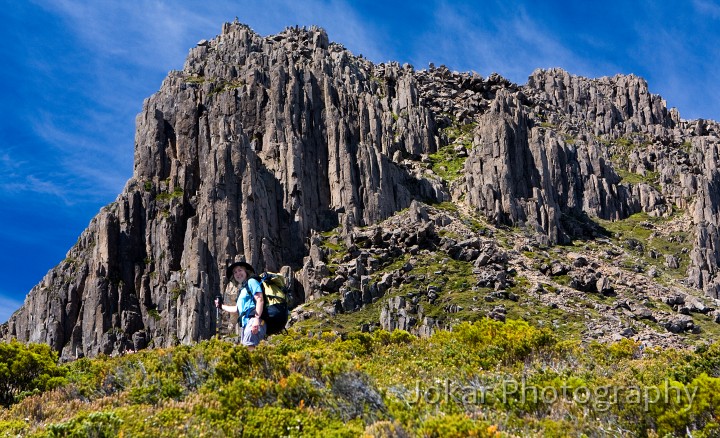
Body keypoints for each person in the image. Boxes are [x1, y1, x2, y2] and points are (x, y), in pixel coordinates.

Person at [215, 261, 266, 349]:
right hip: (246, 325)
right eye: (235, 272)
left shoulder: (252, 282)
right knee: (247, 353)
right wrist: (220, 306)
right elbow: (237, 309)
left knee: (249, 353)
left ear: (246, 271)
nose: (237, 273)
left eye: (240, 270)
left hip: (253, 321)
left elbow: (260, 299)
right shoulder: (243, 290)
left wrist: (256, 320)